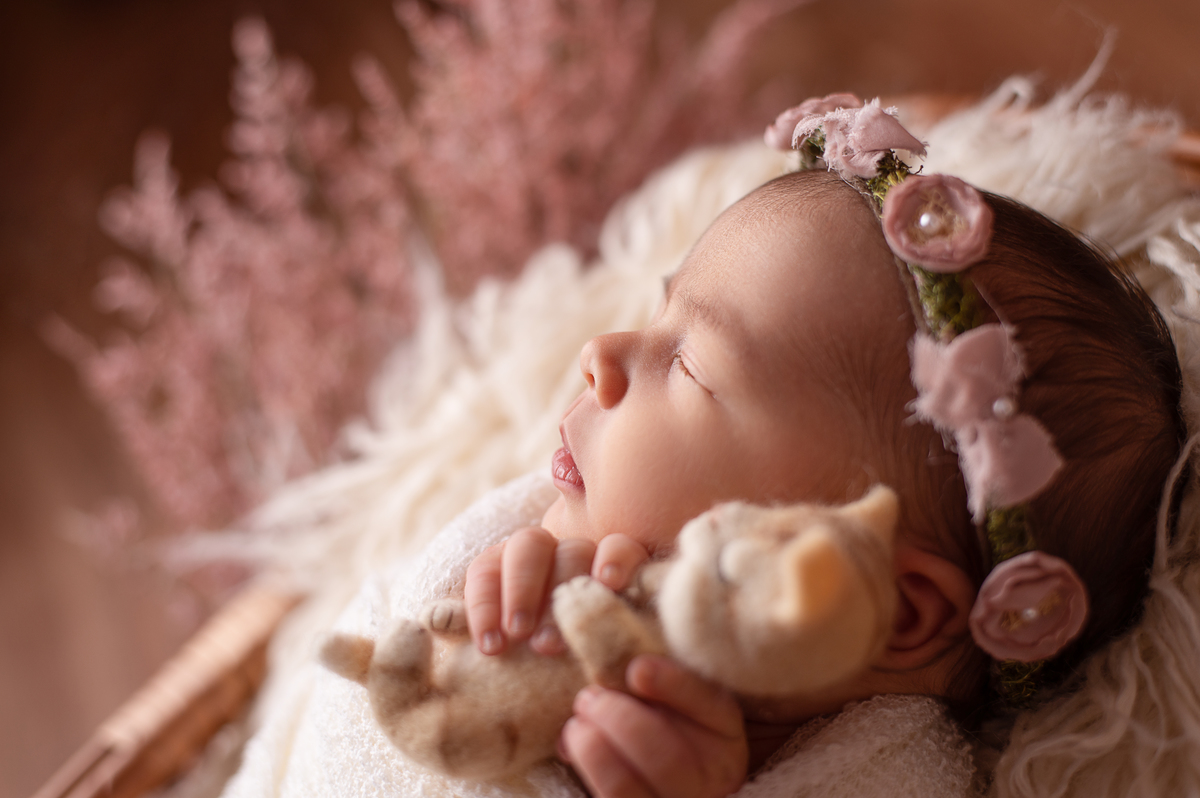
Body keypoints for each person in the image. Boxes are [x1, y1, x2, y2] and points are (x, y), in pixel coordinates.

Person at [459, 96, 1185, 798]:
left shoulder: (889, 777)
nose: (600, 352)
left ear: (896, 611)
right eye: (660, 312)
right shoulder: (544, 535)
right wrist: (473, 621)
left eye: (691, 367)